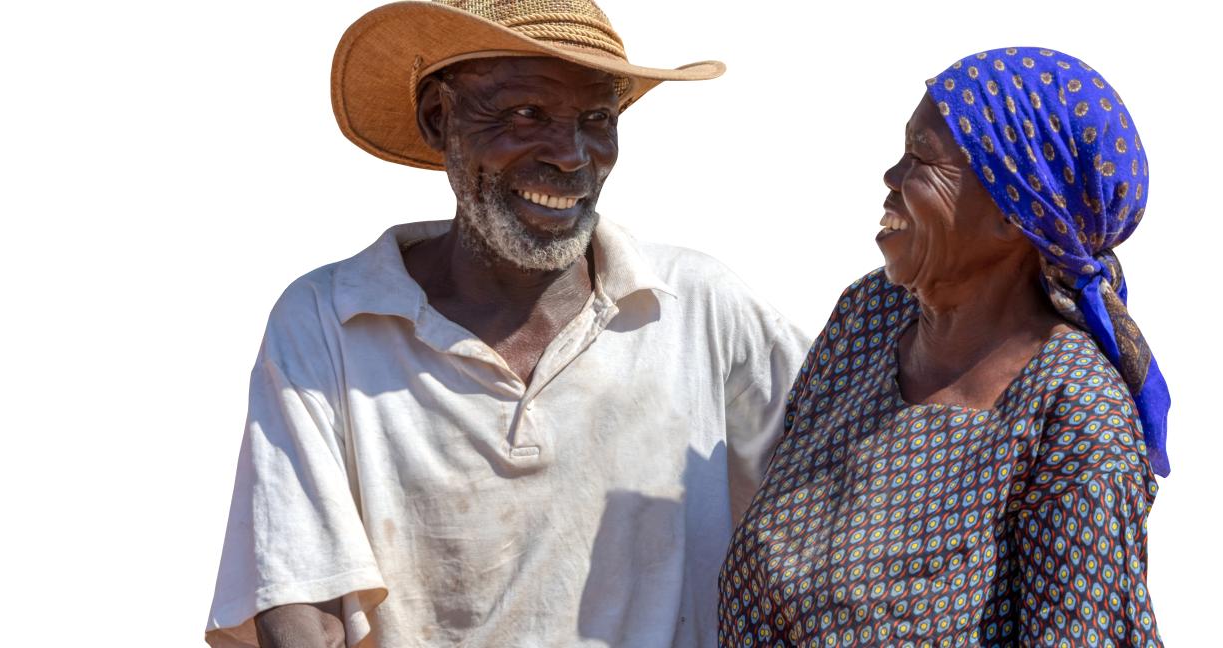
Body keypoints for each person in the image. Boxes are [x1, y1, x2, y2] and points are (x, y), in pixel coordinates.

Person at [205, 2, 810, 646]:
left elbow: (856, 465)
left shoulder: (698, 308)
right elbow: (299, 600)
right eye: (526, 114)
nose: (572, 156)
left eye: (596, 118)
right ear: (440, 119)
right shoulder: (329, 322)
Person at [719, 48, 1169, 647]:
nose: (890, 178)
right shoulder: (871, 317)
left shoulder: (1077, 416)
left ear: (1015, 215)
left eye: (921, 158)